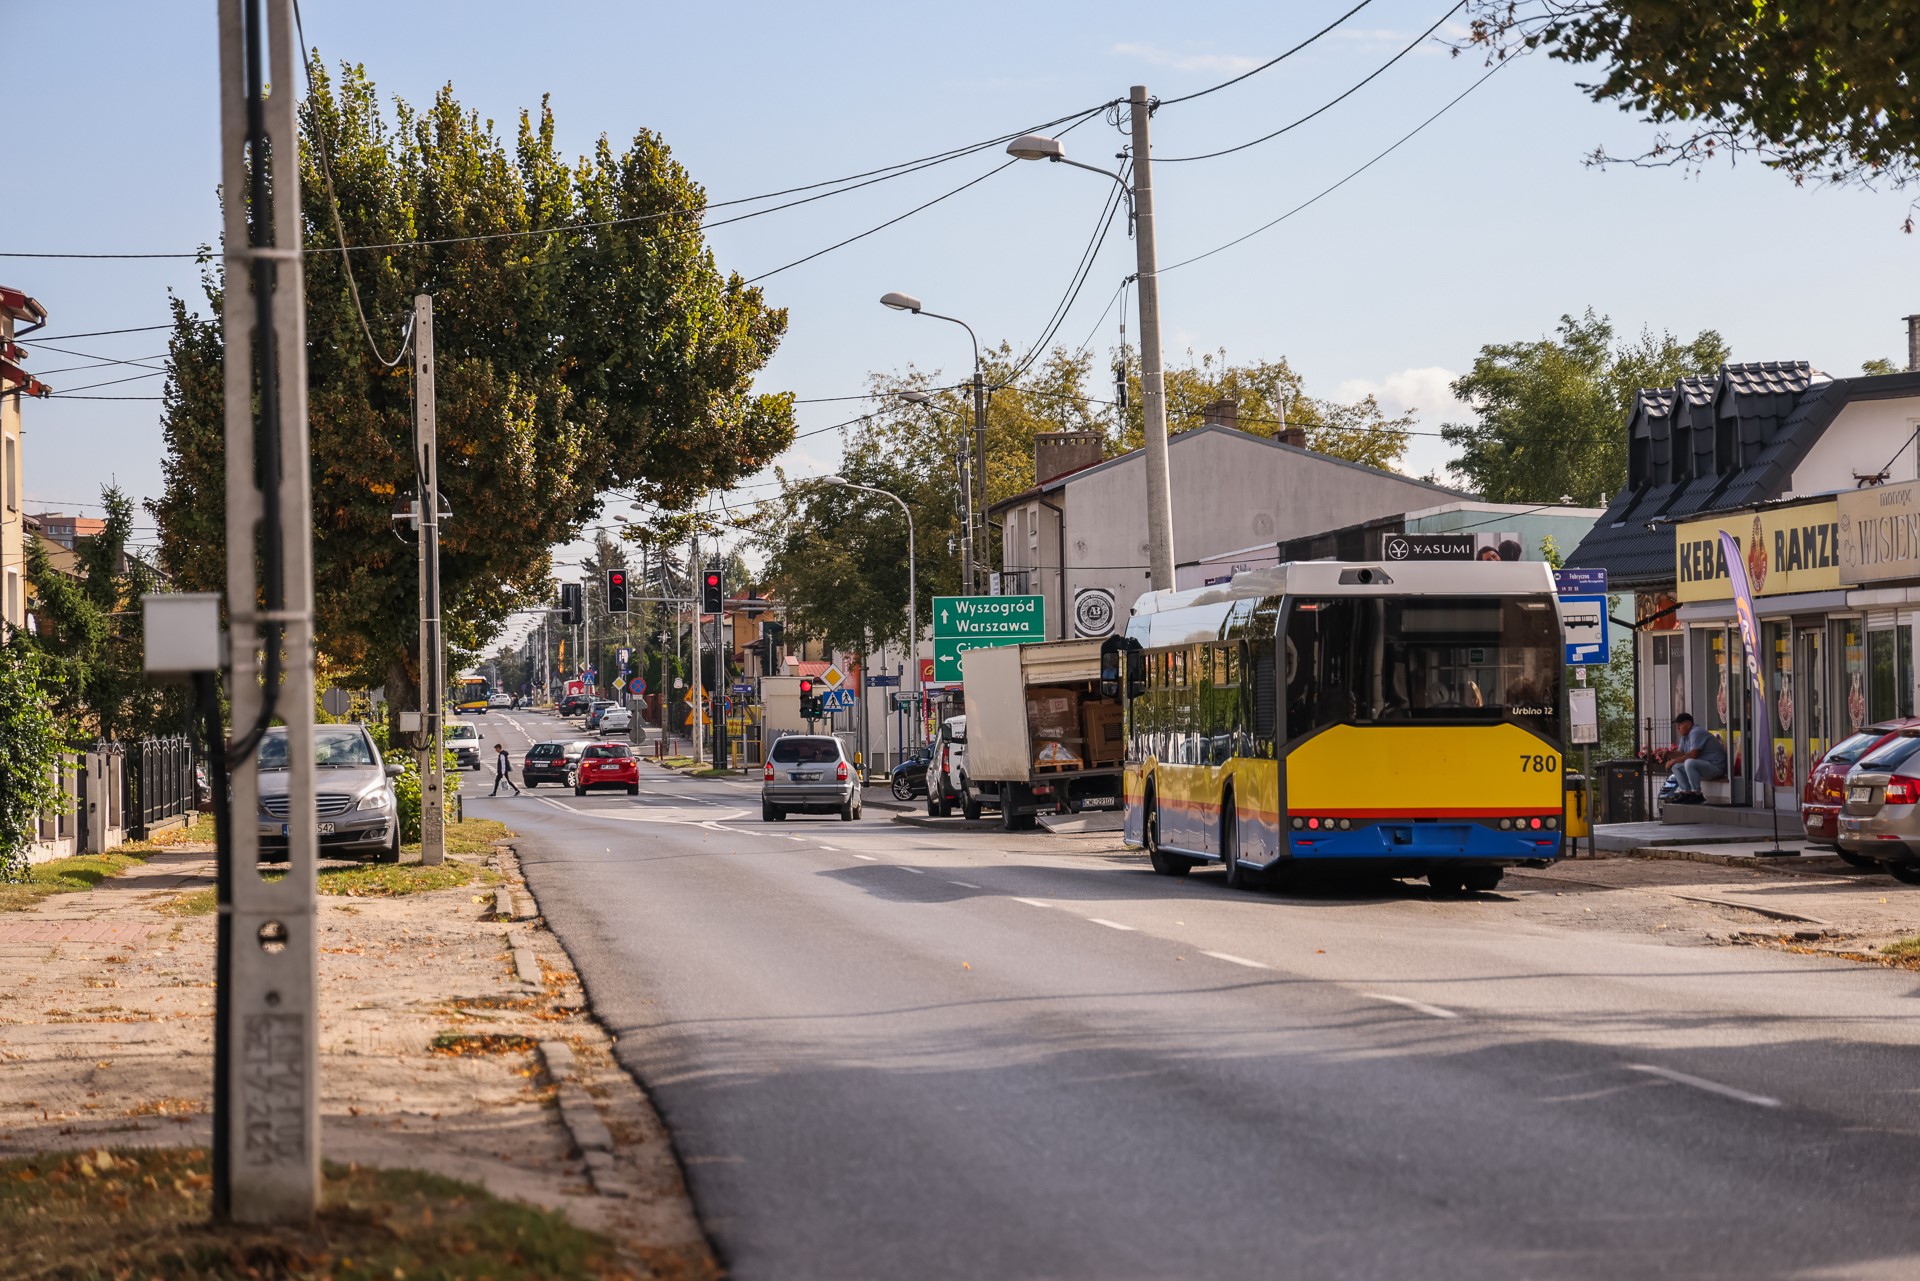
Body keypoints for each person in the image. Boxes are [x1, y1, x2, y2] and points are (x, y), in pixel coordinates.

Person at [1667, 712, 1727, 803]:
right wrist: (1667, 754)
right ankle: (1686, 793)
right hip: (1705, 766)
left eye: (1680, 725)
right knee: (1676, 767)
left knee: (1689, 762)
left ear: (1688, 724)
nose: (1678, 728)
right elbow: (1680, 753)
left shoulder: (1696, 732)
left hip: (1716, 767)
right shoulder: (1685, 736)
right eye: (1677, 725)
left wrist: (1673, 760)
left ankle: (1696, 794)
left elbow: (1693, 755)